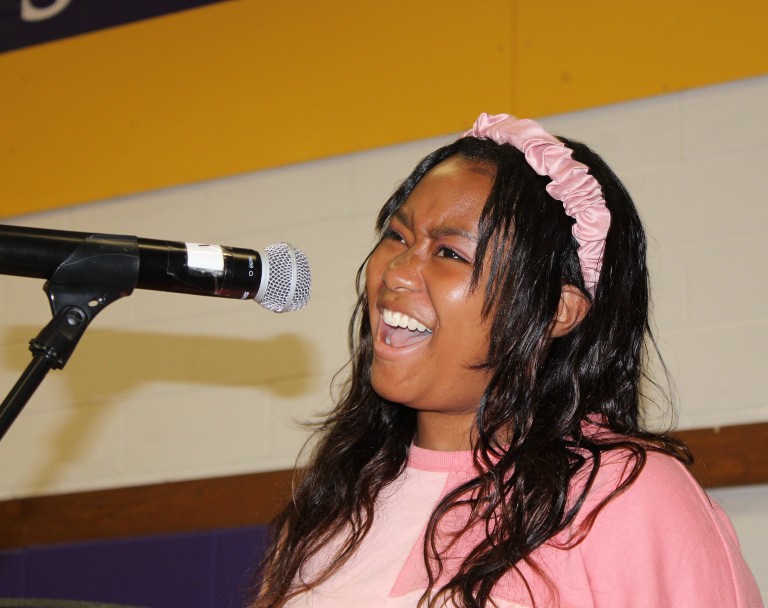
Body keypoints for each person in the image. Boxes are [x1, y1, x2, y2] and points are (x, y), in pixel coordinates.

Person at [251, 114, 762, 607]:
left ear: (557, 311)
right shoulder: (335, 505)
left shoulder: (621, 495)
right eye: (398, 237)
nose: (396, 273)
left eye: (449, 253)